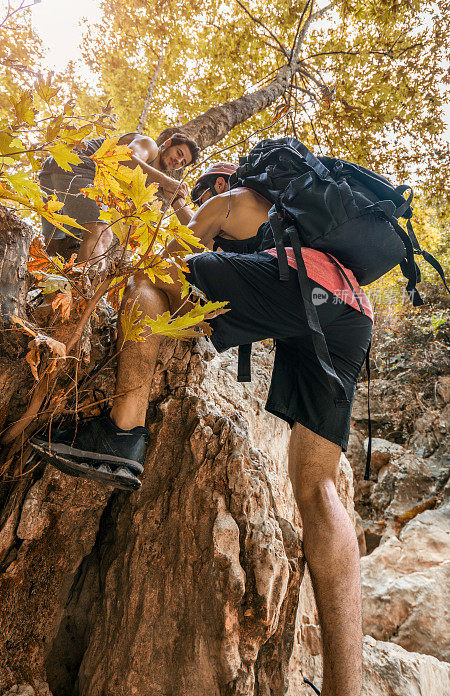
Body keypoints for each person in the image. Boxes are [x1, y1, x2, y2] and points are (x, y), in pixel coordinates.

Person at [31, 161, 373, 696]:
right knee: (319, 488)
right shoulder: (301, 221)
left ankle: (124, 432)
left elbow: (175, 261)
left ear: (219, 184)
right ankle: (344, 688)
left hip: (299, 281)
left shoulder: (231, 196)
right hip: (353, 311)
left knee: (147, 281)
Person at [38, 128, 200, 263]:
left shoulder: (148, 178)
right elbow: (125, 159)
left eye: (183, 162)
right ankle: (84, 295)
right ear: (167, 143)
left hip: (53, 174)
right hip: (77, 167)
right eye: (179, 153)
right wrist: (166, 181)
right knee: (101, 233)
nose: (178, 161)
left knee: (53, 246)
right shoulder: (149, 145)